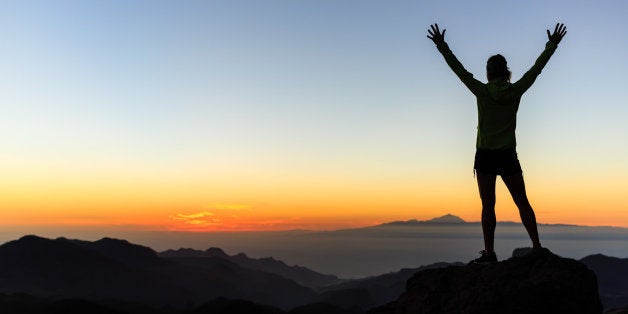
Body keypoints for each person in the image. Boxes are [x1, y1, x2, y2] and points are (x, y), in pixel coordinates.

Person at [427, 23, 567, 264]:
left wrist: (442, 46)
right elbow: (537, 69)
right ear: (507, 73)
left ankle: (489, 253)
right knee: (522, 201)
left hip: (485, 157)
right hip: (507, 155)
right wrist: (552, 45)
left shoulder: (481, 91)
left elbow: (459, 70)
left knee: (488, 206)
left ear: (489, 73)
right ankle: (537, 246)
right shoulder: (516, 90)